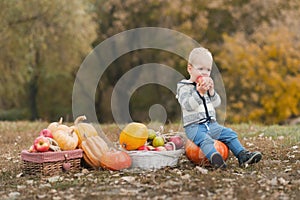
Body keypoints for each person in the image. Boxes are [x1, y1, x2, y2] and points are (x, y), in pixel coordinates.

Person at [176, 47, 262, 169]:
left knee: (229, 134)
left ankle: (243, 156)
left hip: (211, 125)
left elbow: (216, 103)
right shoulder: (184, 87)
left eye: (208, 70)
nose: (205, 73)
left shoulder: (205, 86)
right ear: (190, 68)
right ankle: (215, 159)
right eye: (200, 69)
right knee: (205, 141)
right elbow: (187, 105)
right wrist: (199, 93)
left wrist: (211, 91)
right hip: (194, 127)